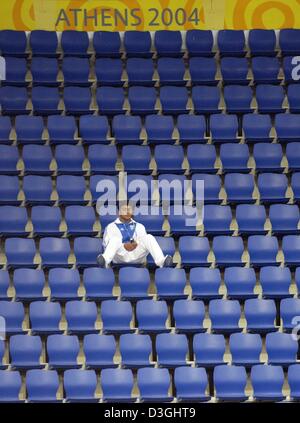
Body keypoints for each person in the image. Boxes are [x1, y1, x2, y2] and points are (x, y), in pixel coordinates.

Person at [97, 204, 173, 268]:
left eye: (129, 210)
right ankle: (104, 261)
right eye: (124, 209)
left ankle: (162, 262)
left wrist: (134, 244)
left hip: (137, 254)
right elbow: (106, 244)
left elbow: (142, 242)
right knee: (115, 239)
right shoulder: (111, 226)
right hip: (119, 255)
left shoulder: (140, 226)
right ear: (119, 212)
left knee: (149, 237)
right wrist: (124, 246)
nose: (127, 212)